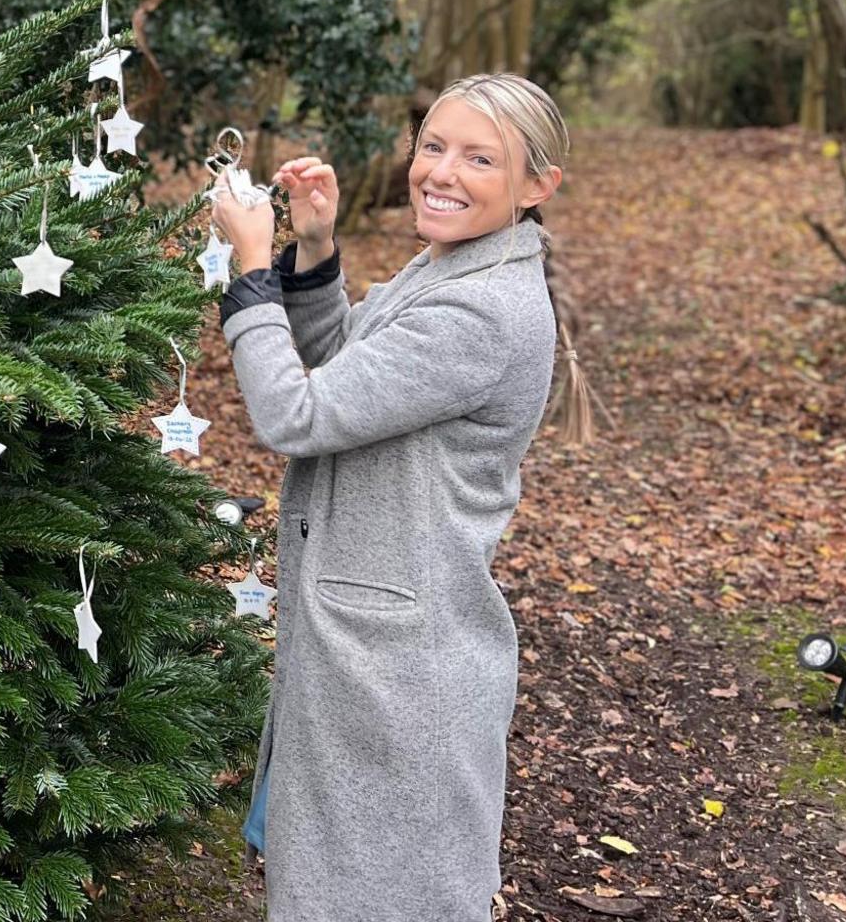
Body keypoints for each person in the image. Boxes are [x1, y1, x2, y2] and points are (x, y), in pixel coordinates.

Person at [208, 73, 586, 921]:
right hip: (371, 646)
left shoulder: (482, 311)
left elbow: (296, 413)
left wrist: (253, 269)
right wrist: (313, 252)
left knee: (381, 895)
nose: (442, 172)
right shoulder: (453, 264)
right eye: (434, 146)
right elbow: (354, 369)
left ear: (536, 187)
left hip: (402, 674)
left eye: (480, 158)